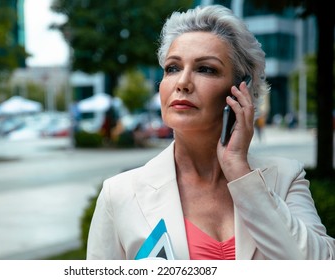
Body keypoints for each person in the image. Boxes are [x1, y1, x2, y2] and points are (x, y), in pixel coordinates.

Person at [86, 5, 335, 260]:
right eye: (172, 68)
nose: (182, 83)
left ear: (241, 90)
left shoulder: (286, 178)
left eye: (205, 69)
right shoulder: (119, 195)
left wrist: (240, 172)